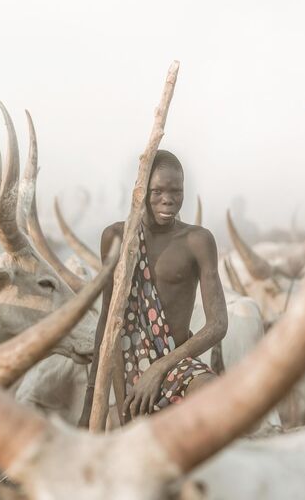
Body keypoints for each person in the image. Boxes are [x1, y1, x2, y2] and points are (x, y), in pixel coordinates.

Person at [79, 150, 228, 426]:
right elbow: (107, 321)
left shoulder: (197, 240)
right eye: (157, 191)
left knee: (214, 395)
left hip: (177, 366)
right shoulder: (116, 238)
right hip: (127, 373)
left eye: (176, 191)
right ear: (139, 192)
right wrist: (90, 403)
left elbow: (218, 324)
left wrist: (159, 368)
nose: (168, 199)